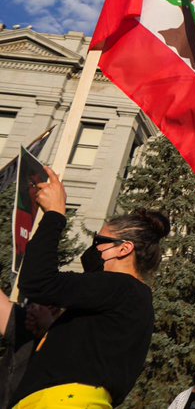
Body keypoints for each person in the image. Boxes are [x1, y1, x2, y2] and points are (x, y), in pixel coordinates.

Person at [8, 167, 168, 408]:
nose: (92, 249)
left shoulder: (121, 287)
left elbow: (38, 281)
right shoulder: (130, 299)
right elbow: (93, 353)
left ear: (124, 249)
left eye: (99, 242)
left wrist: (55, 214)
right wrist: (53, 328)